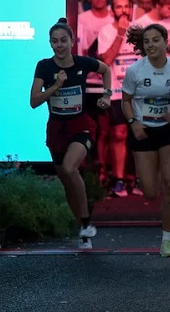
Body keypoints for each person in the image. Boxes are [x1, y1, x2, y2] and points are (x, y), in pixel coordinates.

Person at [29, 18, 113, 249]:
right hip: (57, 129)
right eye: (55, 41)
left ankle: (86, 222)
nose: (59, 45)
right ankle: (83, 230)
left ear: (72, 41)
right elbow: (34, 101)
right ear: (50, 43)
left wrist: (106, 95)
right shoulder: (44, 67)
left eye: (64, 40)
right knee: (66, 180)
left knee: (69, 167)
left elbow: (105, 70)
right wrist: (55, 87)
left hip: (81, 125)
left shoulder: (82, 63)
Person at [121, 24, 170, 257]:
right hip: (143, 131)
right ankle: (156, 171)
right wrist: (133, 123)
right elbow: (126, 101)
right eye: (147, 41)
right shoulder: (135, 71)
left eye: (155, 40)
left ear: (165, 42)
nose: (151, 45)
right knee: (150, 191)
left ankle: (167, 241)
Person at [96, 0, 139, 197]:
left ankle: (138, 179)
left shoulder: (140, 31)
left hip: (140, 92)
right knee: (119, 134)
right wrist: (120, 34)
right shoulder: (105, 31)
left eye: (126, 7)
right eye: (118, 7)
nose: (123, 10)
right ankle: (120, 180)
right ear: (113, 10)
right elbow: (106, 61)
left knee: (140, 135)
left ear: (131, 9)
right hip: (116, 92)